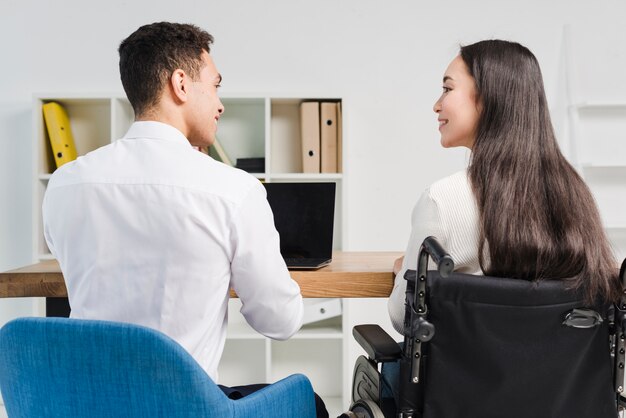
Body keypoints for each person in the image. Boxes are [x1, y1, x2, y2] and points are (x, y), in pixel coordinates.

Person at [42, 22, 327, 417]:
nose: (220, 104)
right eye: (214, 86)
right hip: (182, 407)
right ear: (181, 84)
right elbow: (279, 322)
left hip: (86, 405)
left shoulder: (64, 184)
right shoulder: (232, 189)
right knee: (311, 403)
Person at [388, 39, 622, 334]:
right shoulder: (574, 193)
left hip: (465, 378)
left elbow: (404, 318)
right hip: (560, 379)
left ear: (488, 98)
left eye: (447, 89)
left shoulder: (442, 200)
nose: (437, 104)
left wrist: (402, 275)